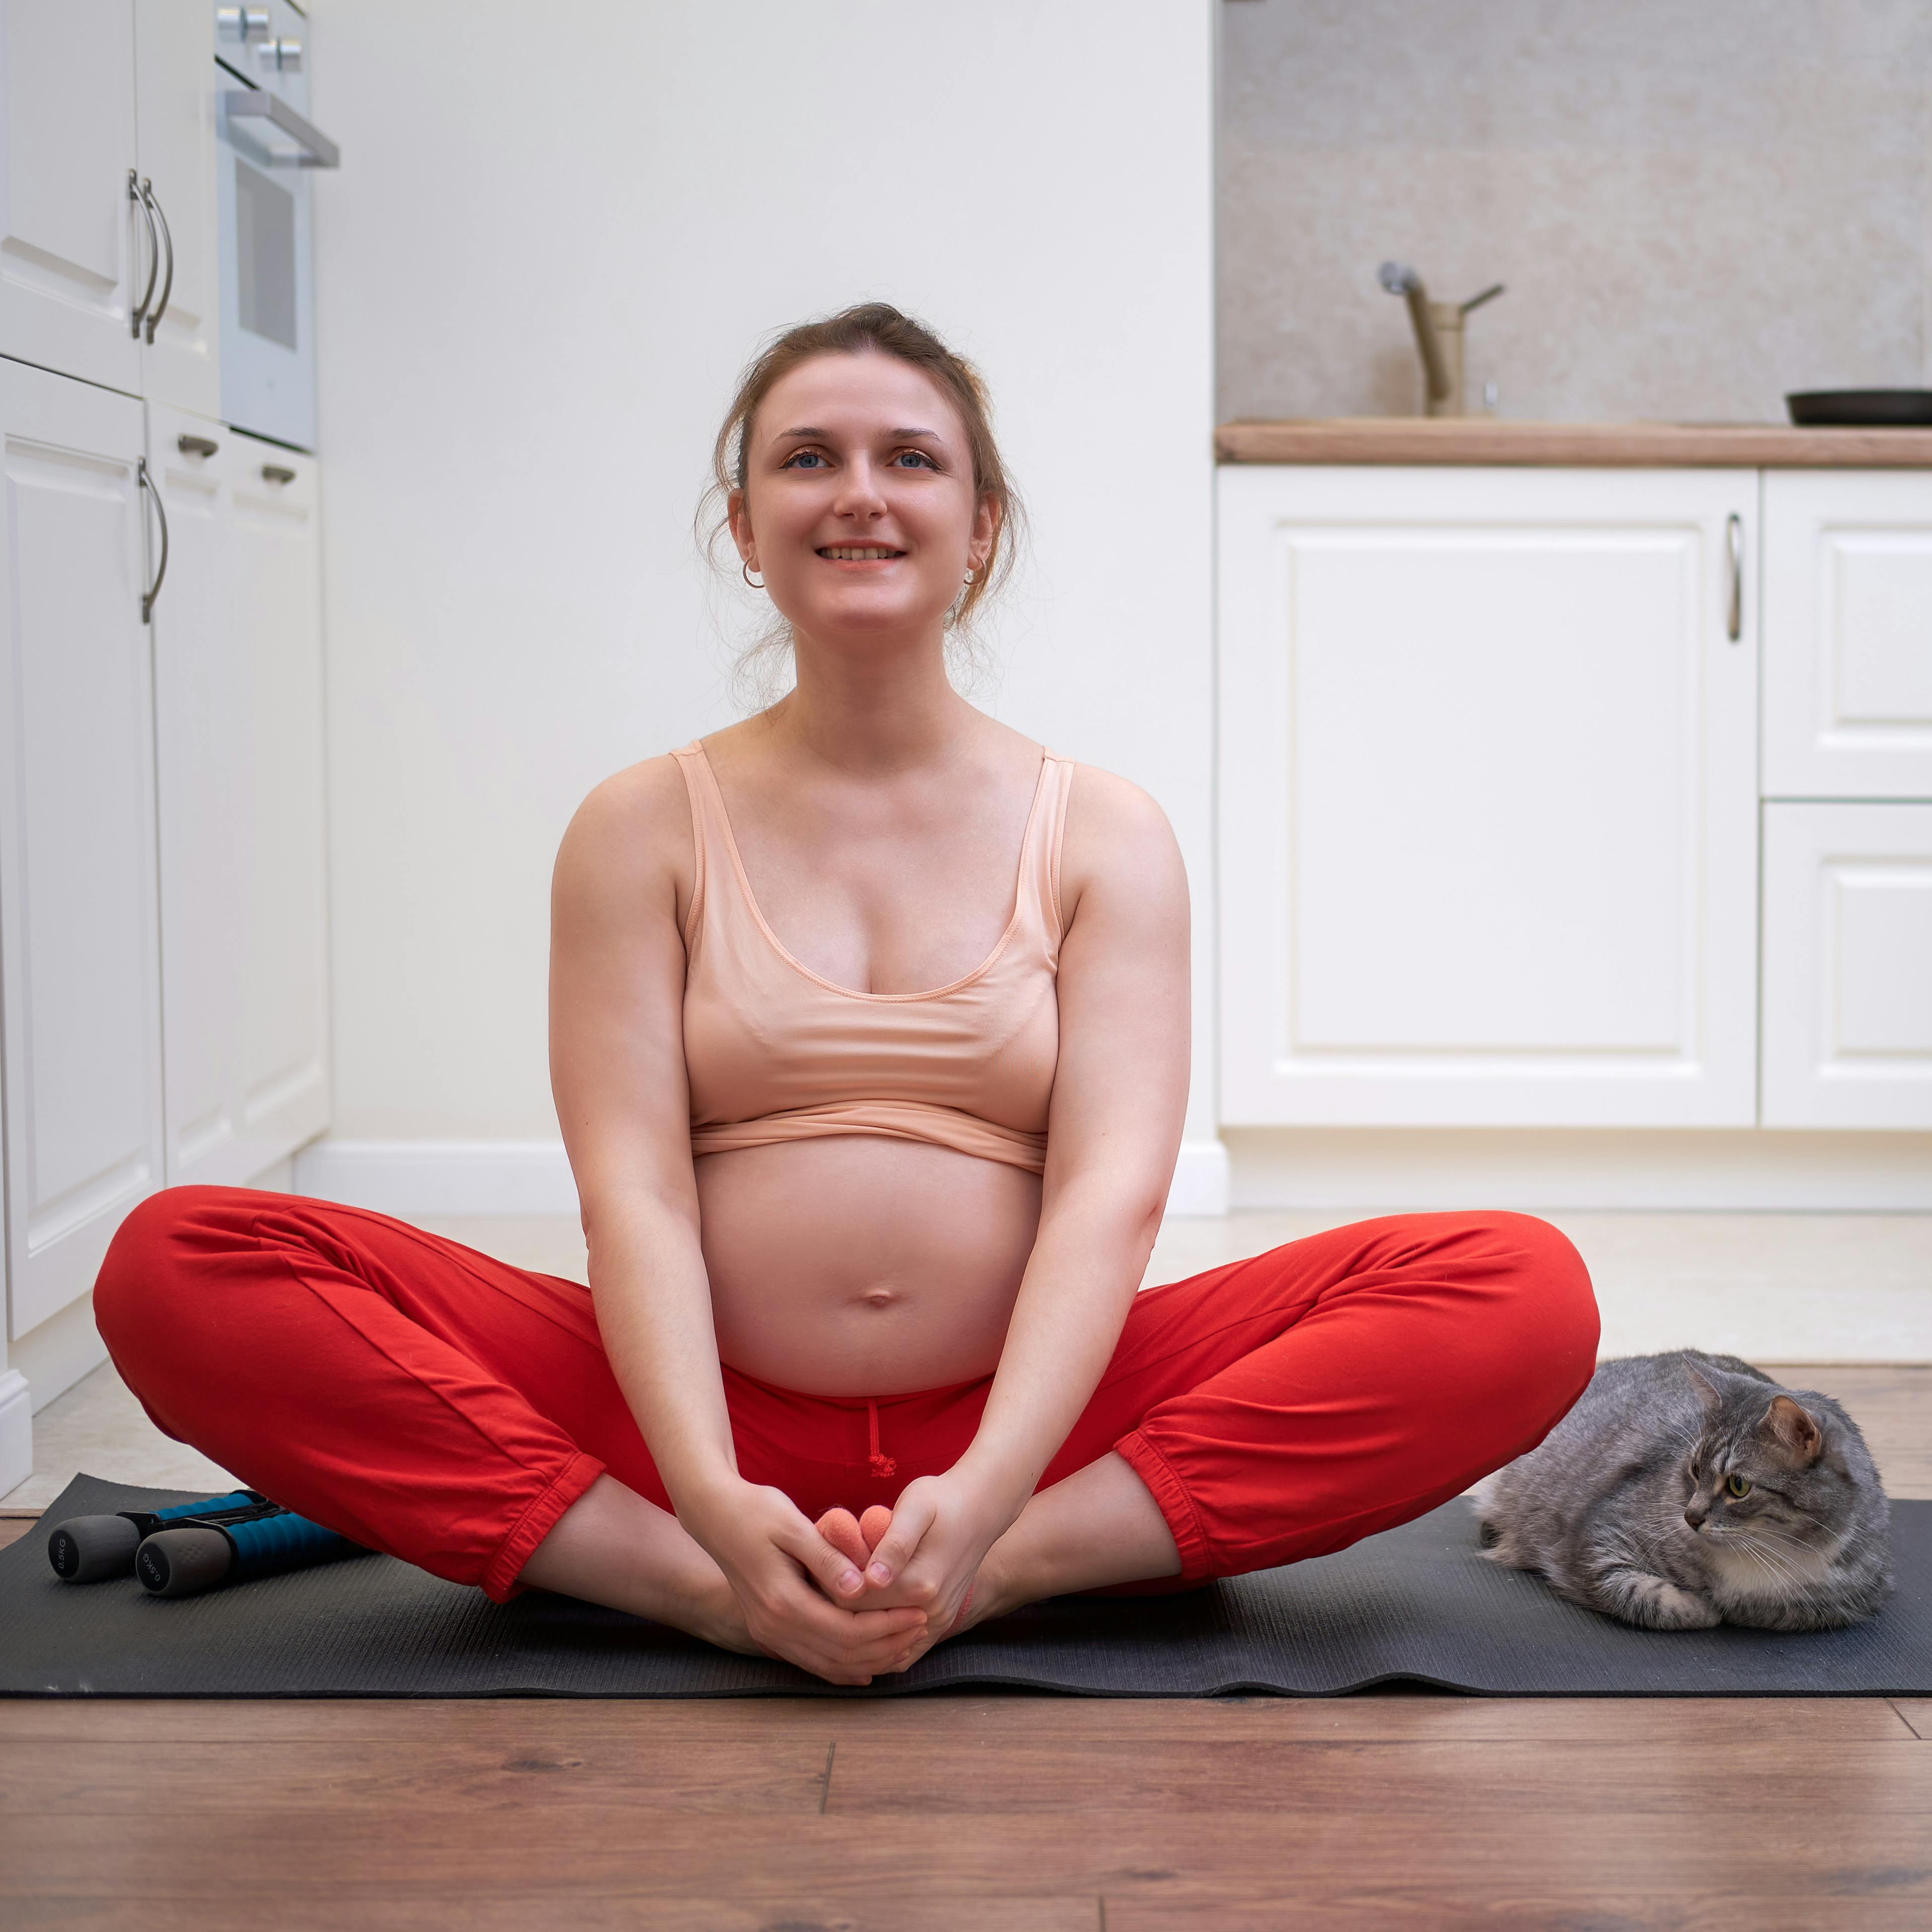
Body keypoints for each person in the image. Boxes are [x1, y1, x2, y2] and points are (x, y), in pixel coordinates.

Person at [93, 304, 1599, 1686]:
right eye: (808, 458)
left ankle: (996, 1577)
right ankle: (695, 1584)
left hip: (1046, 1427)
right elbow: (639, 1202)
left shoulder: (1105, 831)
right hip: (685, 1413)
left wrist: (995, 1496)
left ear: (981, 528)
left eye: (912, 459)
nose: (860, 492)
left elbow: (1108, 1202)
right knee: (179, 1266)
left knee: (1522, 1292)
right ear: (746, 527)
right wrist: (702, 1494)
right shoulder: (639, 826)